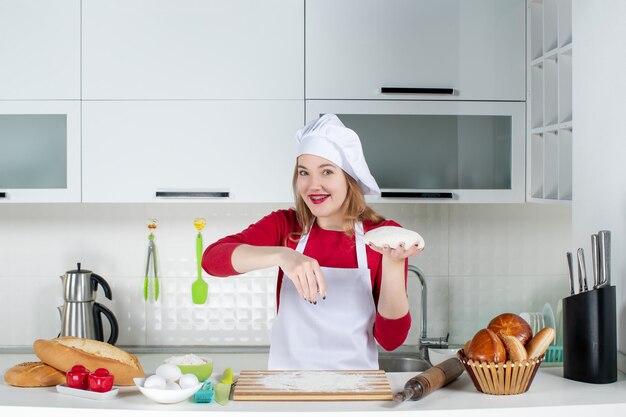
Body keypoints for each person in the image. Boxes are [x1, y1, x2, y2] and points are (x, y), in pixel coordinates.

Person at [202, 114, 422, 370]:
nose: (312, 185)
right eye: (304, 173)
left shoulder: (383, 237)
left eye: (326, 172)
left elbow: (391, 340)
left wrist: (394, 264)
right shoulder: (285, 226)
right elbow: (212, 260)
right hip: (288, 390)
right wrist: (282, 255)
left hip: (355, 393)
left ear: (348, 179)